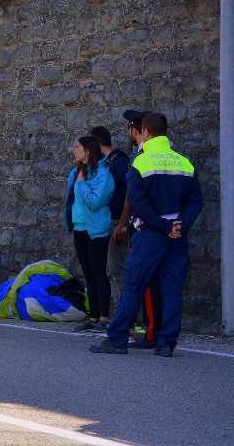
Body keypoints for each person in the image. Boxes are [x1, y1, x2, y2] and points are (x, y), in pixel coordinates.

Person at [91, 113, 203, 357]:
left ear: (146, 132)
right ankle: (167, 343)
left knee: (133, 285)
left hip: (151, 234)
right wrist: (179, 224)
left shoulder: (140, 162)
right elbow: (196, 201)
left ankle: (117, 339)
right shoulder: (184, 161)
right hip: (177, 235)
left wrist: (162, 226)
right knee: (172, 288)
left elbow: (138, 202)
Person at [115, 110, 163, 349]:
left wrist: (122, 225)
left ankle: (149, 331)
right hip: (161, 226)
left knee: (144, 282)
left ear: (137, 130)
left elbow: (131, 198)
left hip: (144, 227)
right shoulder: (166, 155)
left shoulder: (142, 157)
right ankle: (153, 330)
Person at [65, 136, 115, 333]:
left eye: (77, 147)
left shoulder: (103, 174)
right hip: (79, 228)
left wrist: (81, 184)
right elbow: (71, 201)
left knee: (99, 273)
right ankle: (93, 317)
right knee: (87, 274)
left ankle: (104, 317)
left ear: (88, 151)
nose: (73, 150)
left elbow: (95, 202)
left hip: (96, 230)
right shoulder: (77, 172)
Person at [89, 126, 130, 305]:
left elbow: (127, 194)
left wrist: (121, 224)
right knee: (110, 269)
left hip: (116, 221)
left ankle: (128, 316)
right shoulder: (108, 163)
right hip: (107, 221)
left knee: (117, 269)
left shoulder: (118, 162)